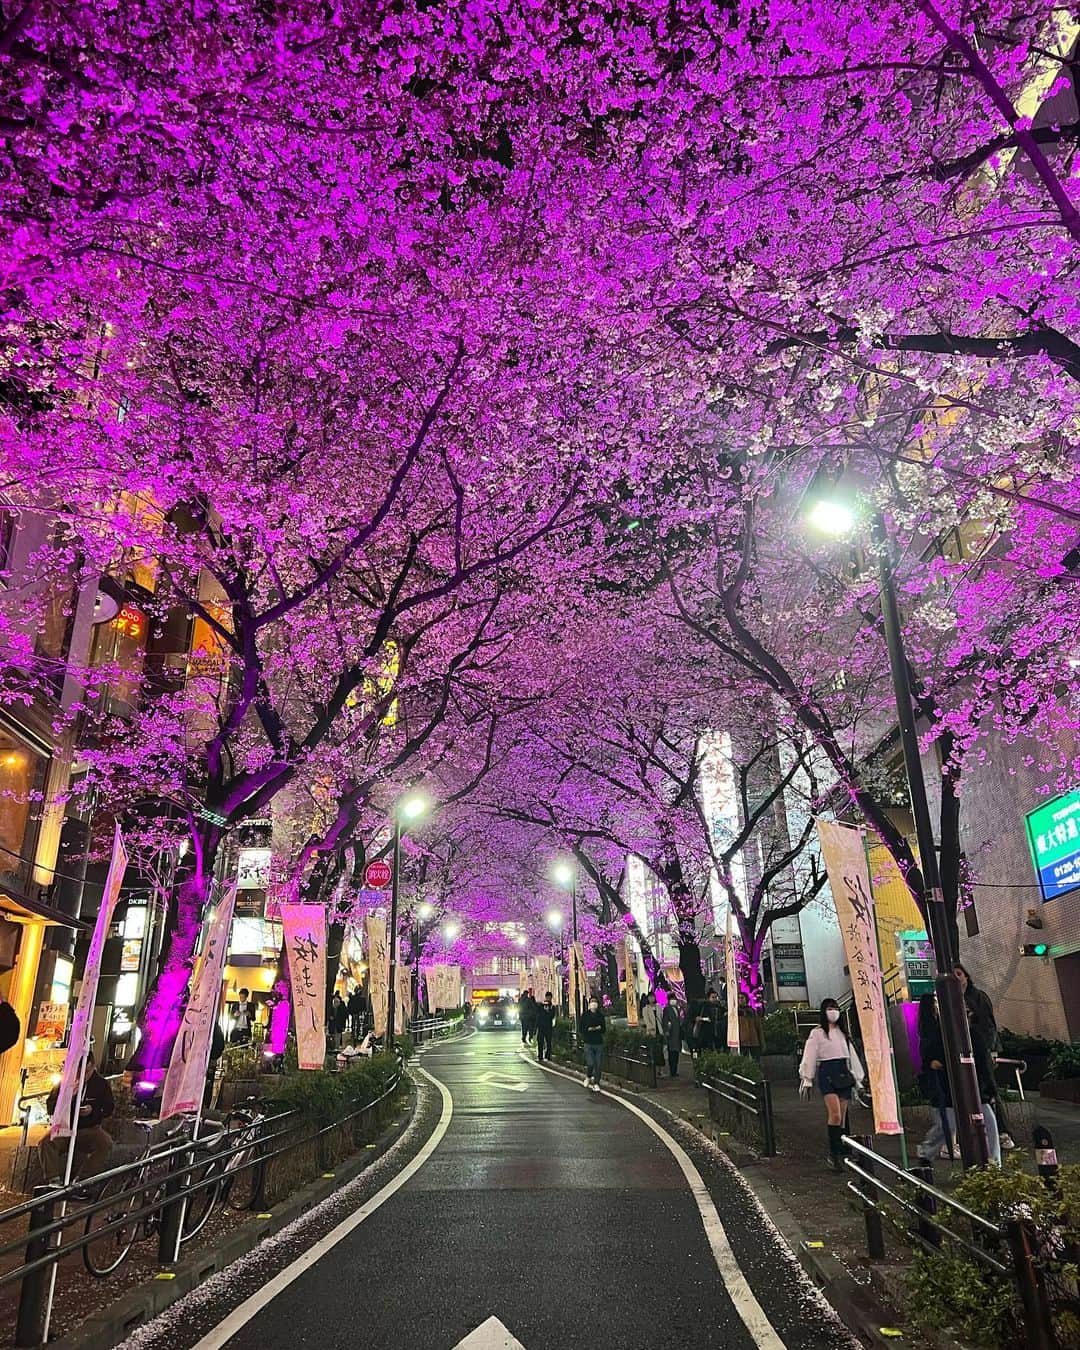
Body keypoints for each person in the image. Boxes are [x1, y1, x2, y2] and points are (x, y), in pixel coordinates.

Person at [798, 998, 865, 1173]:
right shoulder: (817, 1033)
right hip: (827, 1073)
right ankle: (834, 1154)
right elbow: (810, 1055)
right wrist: (807, 1078)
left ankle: (841, 1150)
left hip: (843, 1072)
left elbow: (852, 1057)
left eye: (835, 1007)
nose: (833, 1011)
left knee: (841, 1117)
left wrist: (858, 1080)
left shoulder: (844, 1033)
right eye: (829, 1008)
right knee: (834, 1114)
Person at [955, 963, 1013, 1150]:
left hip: (981, 1051)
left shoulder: (978, 997)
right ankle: (975, 1134)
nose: (957, 978)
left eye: (959, 974)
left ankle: (1002, 1132)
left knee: (988, 1090)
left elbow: (989, 1025)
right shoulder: (949, 999)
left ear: (966, 975)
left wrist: (992, 1050)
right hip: (961, 1052)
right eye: (953, 975)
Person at [41, 1052, 115, 1182]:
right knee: (46, 1142)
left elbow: (108, 1109)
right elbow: (50, 1106)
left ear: (92, 1067)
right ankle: (53, 1179)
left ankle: (82, 1180)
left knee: (105, 1143)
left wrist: (93, 1110)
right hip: (65, 1127)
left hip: (89, 1128)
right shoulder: (65, 1082)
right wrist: (66, 1100)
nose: (82, 1076)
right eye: (78, 1071)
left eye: (86, 1072)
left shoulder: (101, 1084)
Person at [915, 993, 956, 1164]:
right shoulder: (934, 1028)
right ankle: (928, 1151)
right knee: (946, 1120)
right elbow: (929, 1057)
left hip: (939, 1078)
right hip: (939, 1079)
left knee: (947, 1120)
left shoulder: (927, 1027)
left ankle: (932, 1150)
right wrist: (934, 1062)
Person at [579, 995, 606, 1092]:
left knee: (598, 1064)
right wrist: (590, 1029)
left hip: (598, 1042)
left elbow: (603, 1029)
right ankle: (588, 1076)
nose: (593, 1004)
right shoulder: (585, 1015)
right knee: (590, 1063)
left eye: (595, 1002)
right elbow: (582, 1029)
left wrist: (595, 1028)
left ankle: (596, 1083)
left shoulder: (600, 1016)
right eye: (592, 1002)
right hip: (588, 1042)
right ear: (589, 1004)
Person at [204, 1020, 226, 1110]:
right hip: (204, 1060)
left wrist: (213, 1058)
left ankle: (205, 1104)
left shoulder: (215, 1028)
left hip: (209, 1060)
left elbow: (220, 1045)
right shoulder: (215, 1028)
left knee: (208, 1084)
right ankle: (205, 1105)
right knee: (207, 1084)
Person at [694, 989, 723, 1053]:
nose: (715, 999)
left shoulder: (719, 1007)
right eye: (713, 997)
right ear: (708, 998)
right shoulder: (703, 1006)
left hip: (717, 1032)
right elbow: (696, 1017)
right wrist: (704, 1019)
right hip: (705, 1032)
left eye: (716, 997)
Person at [661, 996, 683, 1078]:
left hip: (677, 1034)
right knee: (671, 1053)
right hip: (671, 1034)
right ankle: (672, 1071)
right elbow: (665, 1020)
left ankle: (675, 1070)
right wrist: (666, 1031)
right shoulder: (667, 1009)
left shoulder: (677, 1009)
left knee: (676, 1053)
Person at [641, 993, 663, 1067]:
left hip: (659, 1031)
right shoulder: (645, 1009)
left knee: (660, 1051)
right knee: (653, 1051)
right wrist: (650, 1028)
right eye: (650, 997)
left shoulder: (659, 1007)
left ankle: (660, 1069)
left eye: (653, 997)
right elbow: (646, 1020)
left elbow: (662, 1017)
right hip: (651, 1032)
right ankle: (654, 1069)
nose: (651, 999)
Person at [535, 992, 556, 1062]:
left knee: (549, 1042)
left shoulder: (552, 1006)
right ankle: (540, 1056)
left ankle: (548, 1055)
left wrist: (548, 1011)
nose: (548, 999)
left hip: (548, 1027)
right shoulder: (541, 1005)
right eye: (547, 997)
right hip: (541, 1026)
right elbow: (538, 1015)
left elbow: (552, 1016)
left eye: (549, 997)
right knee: (540, 1042)